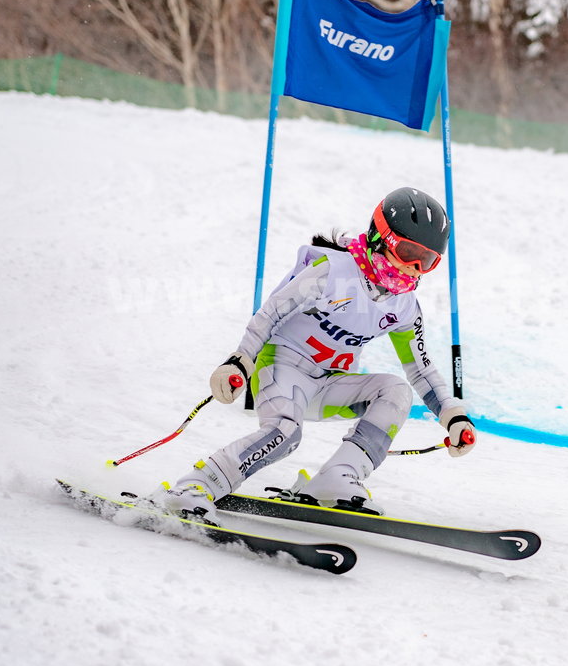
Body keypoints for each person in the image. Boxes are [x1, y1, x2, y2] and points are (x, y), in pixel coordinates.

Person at [158, 187, 476, 523]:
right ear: (379, 238)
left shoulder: (405, 307)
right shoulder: (332, 273)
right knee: (284, 434)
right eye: (409, 252)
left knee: (397, 390)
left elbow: (421, 370)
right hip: (282, 369)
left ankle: (337, 478)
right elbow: (270, 314)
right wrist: (239, 360)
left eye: (427, 261)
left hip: (329, 385)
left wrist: (453, 415)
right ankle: (195, 486)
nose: (414, 267)